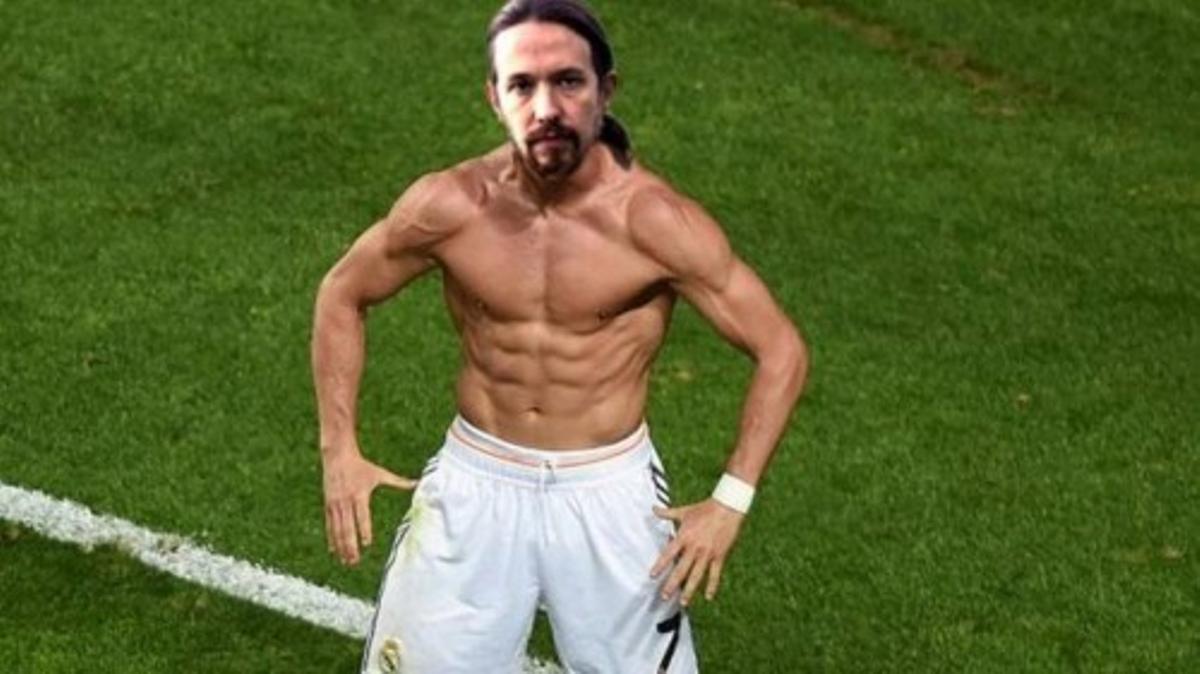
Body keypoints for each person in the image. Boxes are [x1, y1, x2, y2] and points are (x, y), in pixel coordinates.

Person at [311, 1, 808, 671]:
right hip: (475, 484)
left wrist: (731, 501)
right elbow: (343, 293)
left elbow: (780, 350)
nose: (546, 107)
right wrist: (339, 450)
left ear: (606, 90)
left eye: (568, 82)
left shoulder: (654, 223)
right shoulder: (451, 206)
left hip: (609, 498)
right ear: (495, 97)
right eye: (522, 85)